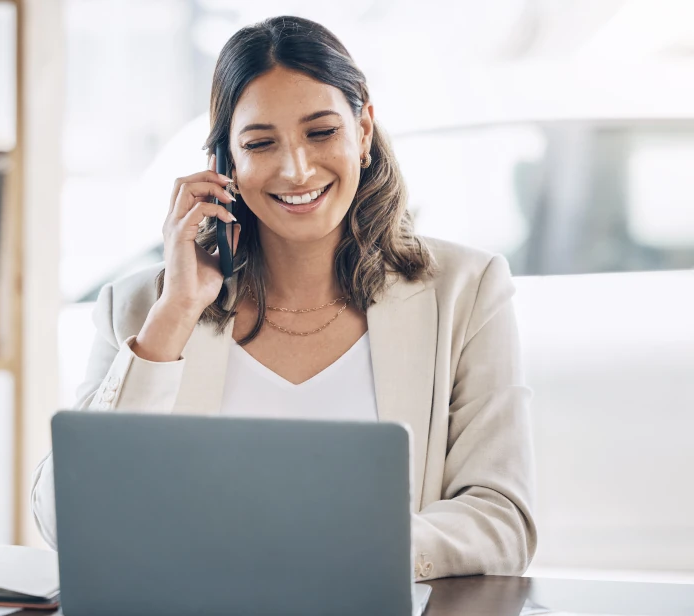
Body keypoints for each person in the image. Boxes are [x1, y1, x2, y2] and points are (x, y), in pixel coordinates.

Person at [32, 15, 536, 581]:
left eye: (321, 132)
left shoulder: (467, 289)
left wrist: (334, 549)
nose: (296, 169)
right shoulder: (142, 308)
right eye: (260, 143)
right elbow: (64, 520)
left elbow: (501, 518)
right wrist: (173, 316)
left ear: (363, 131)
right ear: (226, 163)